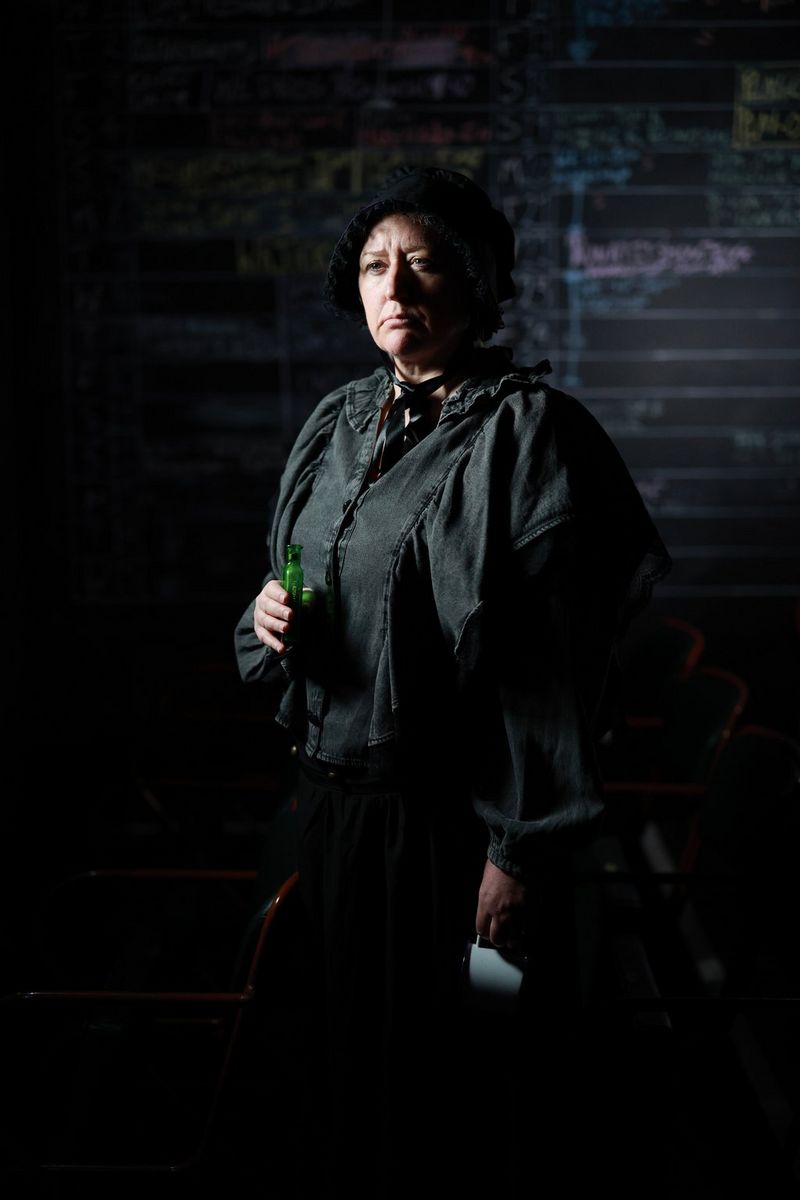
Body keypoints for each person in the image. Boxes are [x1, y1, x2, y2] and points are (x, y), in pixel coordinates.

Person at [234, 165, 671, 1199]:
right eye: (377, 267)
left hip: (463, 828)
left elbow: (552, 672)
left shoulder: (530, 434)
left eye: (424, 265)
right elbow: (292, 586)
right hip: (340, 812)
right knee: (351, 1071)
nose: (397, 288)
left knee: (473, 1065)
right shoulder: (338, 422)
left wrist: (517, 851)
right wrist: (264, 615)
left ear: (476, 284)